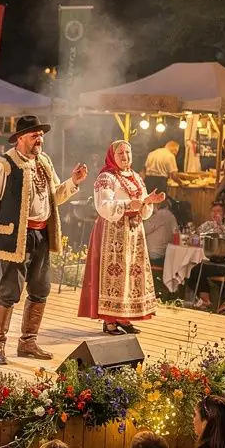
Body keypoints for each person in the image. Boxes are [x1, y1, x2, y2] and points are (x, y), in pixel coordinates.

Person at [0, 116, 87, 364]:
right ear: (20, 138)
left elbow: (55, 196)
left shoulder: (43, 162)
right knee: (10, 290)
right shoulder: (5, 165)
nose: (39, 139)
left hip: (41, 234)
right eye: (34, 135)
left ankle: (28, 342)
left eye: (41, 135)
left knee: (41, 288)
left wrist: (73, 182)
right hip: (14, 237)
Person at [78, 141, 163, 336]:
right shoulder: (106, 178)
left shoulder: (136, 178)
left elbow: (143, 208)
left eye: (128, 152)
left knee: (130, 274)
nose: (125, 156)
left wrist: (148, 202)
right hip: (112, 231)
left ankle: (124, 318)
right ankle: (109, 321)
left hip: (133, 233)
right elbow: (103, 206)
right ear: (112, 156)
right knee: (113, 275)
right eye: (120, 153)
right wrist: (128, 205)